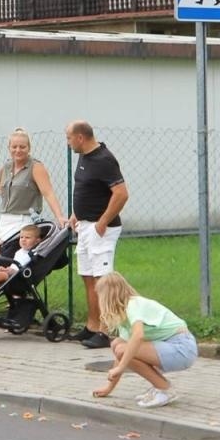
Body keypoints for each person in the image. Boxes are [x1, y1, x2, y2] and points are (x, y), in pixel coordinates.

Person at [91, 272, 196, 408]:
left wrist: (122, 367)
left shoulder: (134, 305)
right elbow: (120, 353)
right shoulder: (124, 315)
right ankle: (160, 386)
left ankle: (165, 389)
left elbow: (138, 336)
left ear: (108, 296)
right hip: (171, 347)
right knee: (118, 344)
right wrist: (109, 388)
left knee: (123, 349)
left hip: (182, 348)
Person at [67, 120, 129, 349]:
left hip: (100, 229)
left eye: (69, 138)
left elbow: (121, 194)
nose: (68, 142)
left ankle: (106, 330)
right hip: (83, 226)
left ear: (80, 137)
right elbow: (87, 189)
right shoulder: (84, 157)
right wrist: (76, 215)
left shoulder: (104, 160)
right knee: (87, 276)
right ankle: (92, 326)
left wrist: (102, 222)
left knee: (102, 280)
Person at [0, 128, 65, 250]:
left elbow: (48, 193)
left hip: (23, 220)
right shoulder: (7, 166)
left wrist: (59, 216)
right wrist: (10, 195)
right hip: (5, 219)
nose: (18, 150)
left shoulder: (36, 167)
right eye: (14, 147)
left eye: (22, 147)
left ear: (29, 148)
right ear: (9, 148)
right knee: (5, 260)